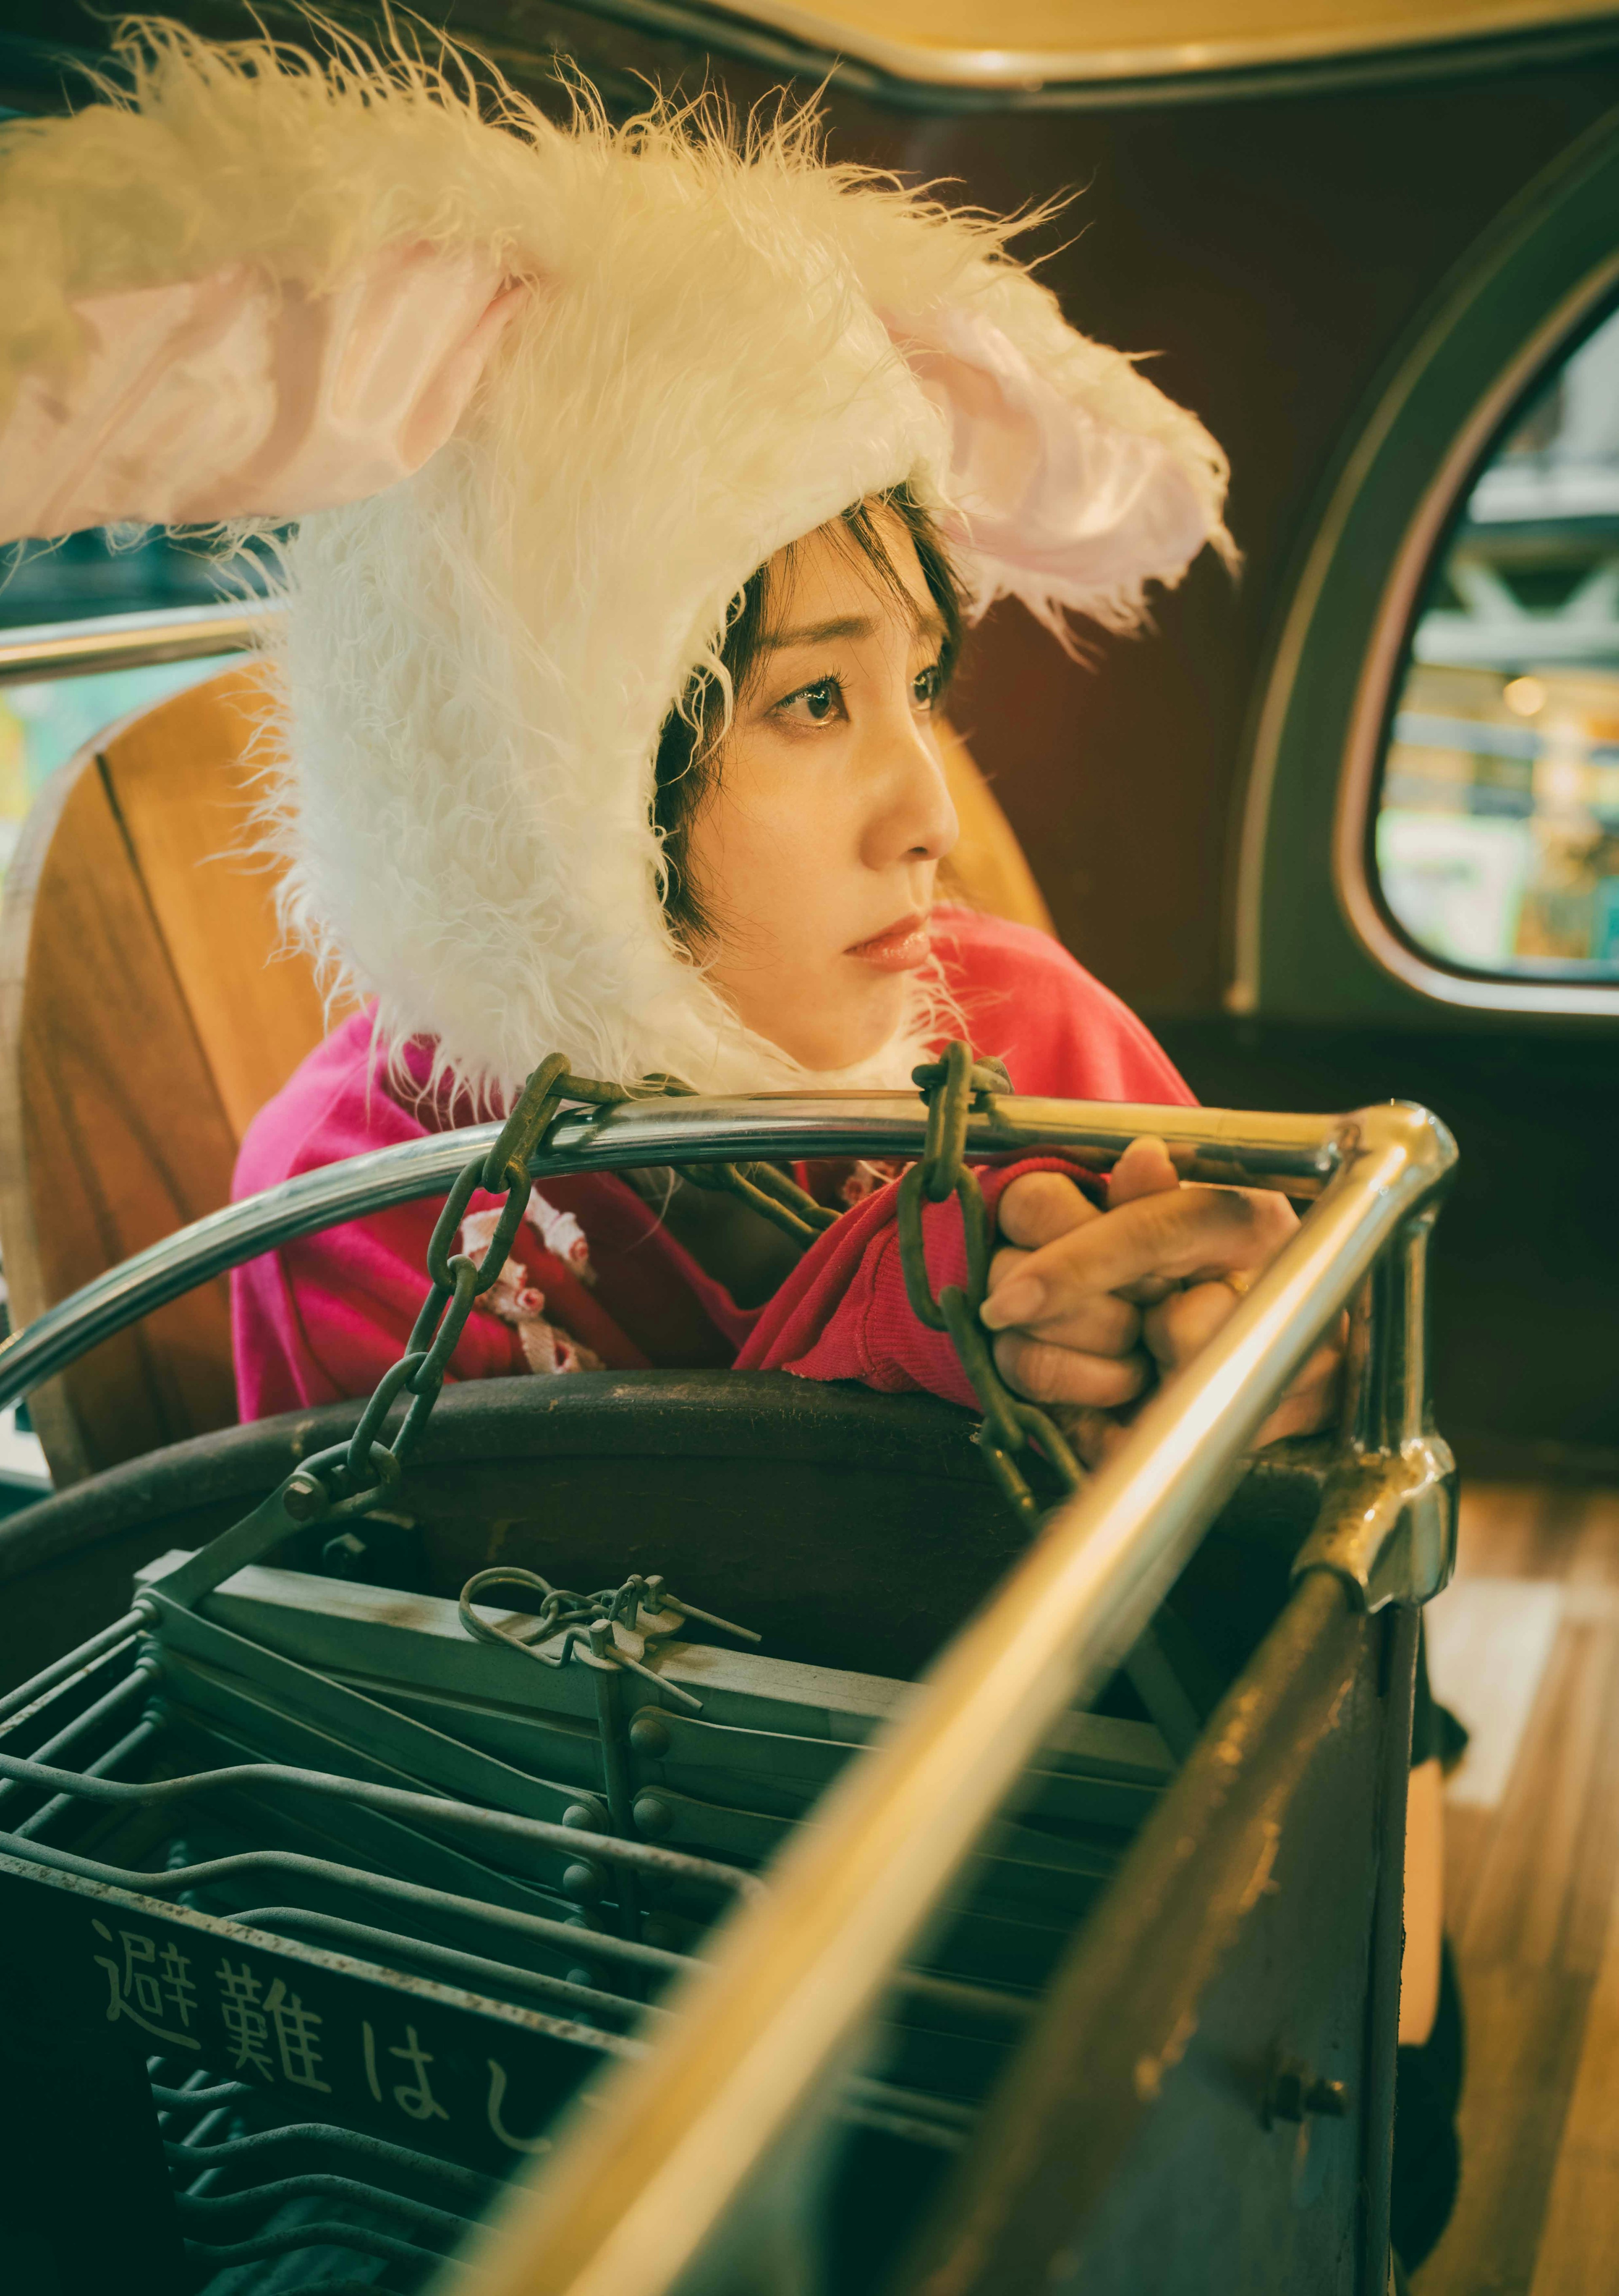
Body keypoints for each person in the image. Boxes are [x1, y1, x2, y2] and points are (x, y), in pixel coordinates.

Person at [0, 19, 1454, 2263]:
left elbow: (1263, 1593)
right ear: (547, 765)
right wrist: (929, 1371)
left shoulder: (1035, 1026)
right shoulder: (352, 1209)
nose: (925, 802)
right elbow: (509, 1775)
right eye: (808, 702)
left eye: (918, 689)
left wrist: (1236, 1373)